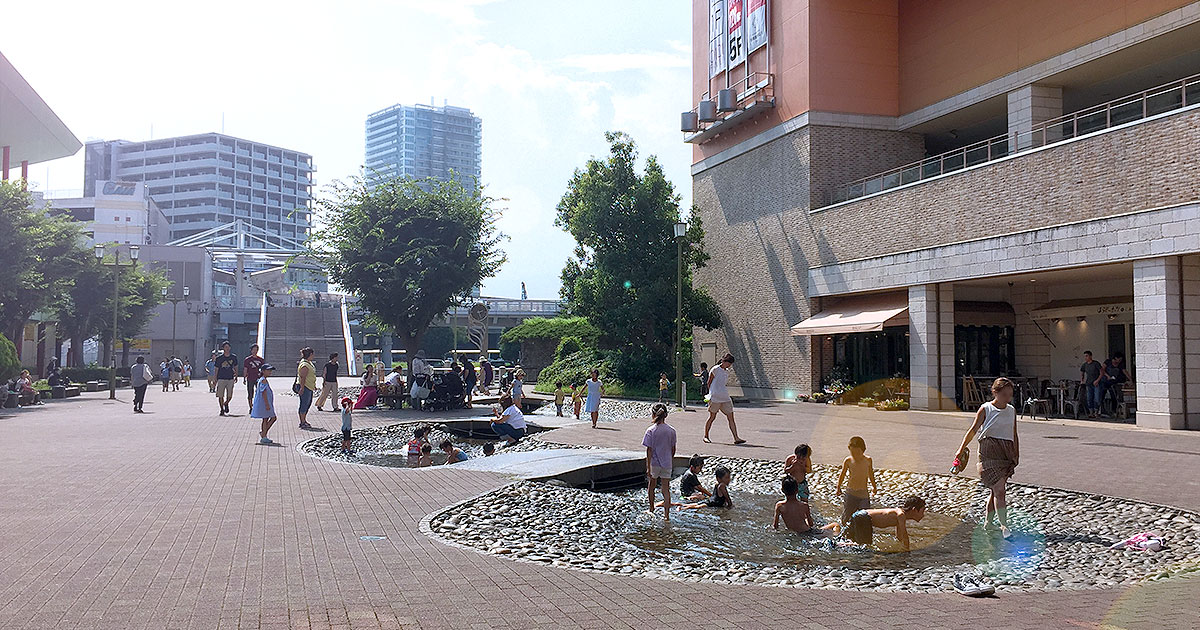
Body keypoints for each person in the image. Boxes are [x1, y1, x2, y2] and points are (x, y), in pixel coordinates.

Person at [953, 377, 1020, 539]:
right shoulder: (986, 409)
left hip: (1006, 453)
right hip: (988, 452)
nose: (1007, 398)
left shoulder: (1011, 410)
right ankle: (1004, 525)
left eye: (1010, 395)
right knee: (1000, 490)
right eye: (1004, 395)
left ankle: (988, 523)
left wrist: (1016, 453)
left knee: (995, 491)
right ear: (995, 393)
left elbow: (1014, 433)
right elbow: (973, 430)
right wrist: (960, 450)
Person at [846, 496, 927, 550]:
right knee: (864, 546)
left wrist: (900, 547)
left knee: (856, 542)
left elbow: (899, 536)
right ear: (914, 510)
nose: (923, 514)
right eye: (922, 511)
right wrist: (907, 550)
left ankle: (841, 545)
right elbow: (904, 535)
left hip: (860, 515)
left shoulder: (900, 515)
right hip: (863, 517)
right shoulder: (901, 515)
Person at [643, 403, 677, 521]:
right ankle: (666, 515)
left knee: (651, 486)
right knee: (665, 489)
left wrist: (648, 467)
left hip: (654, 463)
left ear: (653, 414)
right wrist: (670, 459)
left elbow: (649, 450)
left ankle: (651, 508)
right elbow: (673, 448)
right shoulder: (671, 430)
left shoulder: (651, 430)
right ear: (666, 415)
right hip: (667, 463)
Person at [703, 353, 745, 444]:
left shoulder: (726, 371)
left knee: (731, 417)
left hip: (725, 396)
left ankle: (736, 438)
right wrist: (711, 393)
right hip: (715, 397)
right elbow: (709, 382)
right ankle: (706, 436)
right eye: (728, 363)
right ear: (724, 361)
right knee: (712, 417)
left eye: (730, 364)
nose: (729, 365)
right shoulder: (715, 369)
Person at [836, 436, 877, 525]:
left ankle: (862, 532)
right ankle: (844, 531)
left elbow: (871, 474)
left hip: (863, 494)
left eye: (857, 452)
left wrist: (874, 487)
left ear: (863, 450)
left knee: (865, 514)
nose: (855, 455)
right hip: (851, 492)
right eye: (852, 452)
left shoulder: (868, 460)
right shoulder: (848, 460)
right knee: (847, 515)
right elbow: (842, 474)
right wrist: (838, 487)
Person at [251, 363, 278, 445]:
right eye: (268, 370)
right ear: (263, 371)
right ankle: (264, 434)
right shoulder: (263, 380)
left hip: (265, 402)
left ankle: (264, 434)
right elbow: (264, 393)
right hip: (264, 403)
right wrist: (267, 404)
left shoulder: (262, 379)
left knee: (265, 419)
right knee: (272, 418)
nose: (270, 372)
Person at [1100, 352, 1133, 417]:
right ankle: (1102, 411)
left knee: (1114, 396)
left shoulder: (1120, 365)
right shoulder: (1108, 362)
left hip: (1113, 382)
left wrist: (1130, 379)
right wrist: (1107, 376)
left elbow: (1125, 371)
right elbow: (1102, 370)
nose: (1120, 361)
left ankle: (1114, 410)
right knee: (1102, 395)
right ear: (1115, 358)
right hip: (1105, 381)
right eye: (1119, 359)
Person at [214, 342, 239, 416]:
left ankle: (226, 403)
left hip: (230, 378)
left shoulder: (233, 357)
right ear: (223, 348)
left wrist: (236, 375)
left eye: (228, 347)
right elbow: (216, 368)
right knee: (220, 395)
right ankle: (222, 409)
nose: (227, 348)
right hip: (221, 378)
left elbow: (236, 366)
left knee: (230, 395)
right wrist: (215, 378)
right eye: (225, 347)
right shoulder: (219, 358)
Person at [296, 347, 316, 429]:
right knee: (304, 404)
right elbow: (302, 377)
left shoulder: (309, 363)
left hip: (309, 386)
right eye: (312, 354)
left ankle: (304, 419)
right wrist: (302, 388)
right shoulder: (304, 364)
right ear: (310, 354)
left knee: (308, 403)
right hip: (305, 386)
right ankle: (302, 421)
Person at [1080, 350, 1103, 418]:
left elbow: (1102, 372)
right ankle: (1091, 412)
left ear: (1090, 356)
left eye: (1087, 356)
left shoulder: (1096, 363)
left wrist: (1098, 380)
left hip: (1096, 383)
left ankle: (1096, 411)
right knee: (1089, 398)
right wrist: (1082, 380)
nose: (1085, 358)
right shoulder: (1085, 365)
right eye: (1085, 356)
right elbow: (1082, 372)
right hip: (1089, 383)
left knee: (1097, 398)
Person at [243, 344, 265, 413]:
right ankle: (251, 407)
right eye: (254, 350)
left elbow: (263, 369)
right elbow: (245, 369)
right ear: (251, 350)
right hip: (250, 378)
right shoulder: (247, 360)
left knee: (259, 392)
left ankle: (258, 406)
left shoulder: (261, 360)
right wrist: (244, 378)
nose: (255, 351)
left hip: (258, 378)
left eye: (256, 350)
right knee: (250, 393)